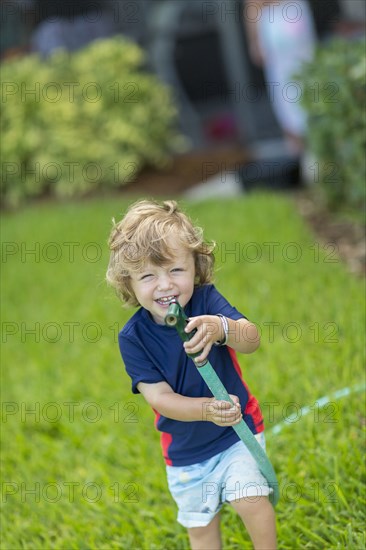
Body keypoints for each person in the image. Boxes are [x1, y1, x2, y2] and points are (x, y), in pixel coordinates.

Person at [106, 199, 276, 550]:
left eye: (175, 271)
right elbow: (159, 398)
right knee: (200, 528)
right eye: (148, 276)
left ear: (195, 268)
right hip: (185, 452)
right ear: (129, 283)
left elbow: (252, 339)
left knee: (251, 501)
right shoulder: (133, 338)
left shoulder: (206, 302)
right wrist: (204, 409)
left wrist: (222, 328)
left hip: (235, 432)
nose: (165, 285)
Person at [243, 0, 317, 154]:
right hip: (295, 14)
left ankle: (304, 149)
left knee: (286, 91)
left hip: (276, 19)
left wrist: (254, 40)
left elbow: (252, 4)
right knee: (306, 82)